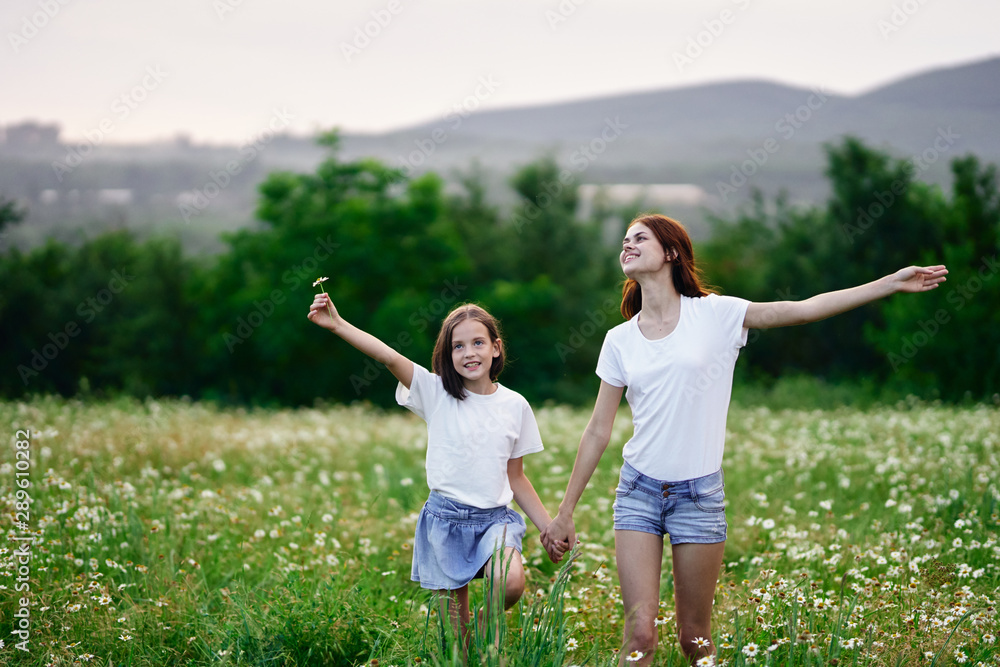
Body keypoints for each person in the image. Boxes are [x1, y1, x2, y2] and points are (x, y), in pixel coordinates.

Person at [539, 213, 948, 666]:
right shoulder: (619, 340)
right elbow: (598, 429)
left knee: (694, 639)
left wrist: (888, 283)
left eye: (640, 238)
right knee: (639, 636)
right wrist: (565, 511)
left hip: (699, 495)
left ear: (671, 252)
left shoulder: (717, 314)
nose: (627, 244)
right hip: (637, 492)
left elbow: (802, 308)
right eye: (624, 239)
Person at [307, 295, 568, 651]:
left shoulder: (514, 405)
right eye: (457, 346)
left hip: (495, 521)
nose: (468, 353)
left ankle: (484, 626)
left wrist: (547, 526)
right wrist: (338, 324)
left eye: (478, 342)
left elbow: (516, 477)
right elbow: (387, 356)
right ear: (448, 356)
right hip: (444, 522)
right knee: (454, 646)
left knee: (509, 584)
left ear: (496, 347)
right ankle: (466, 647)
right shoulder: (435, 393)